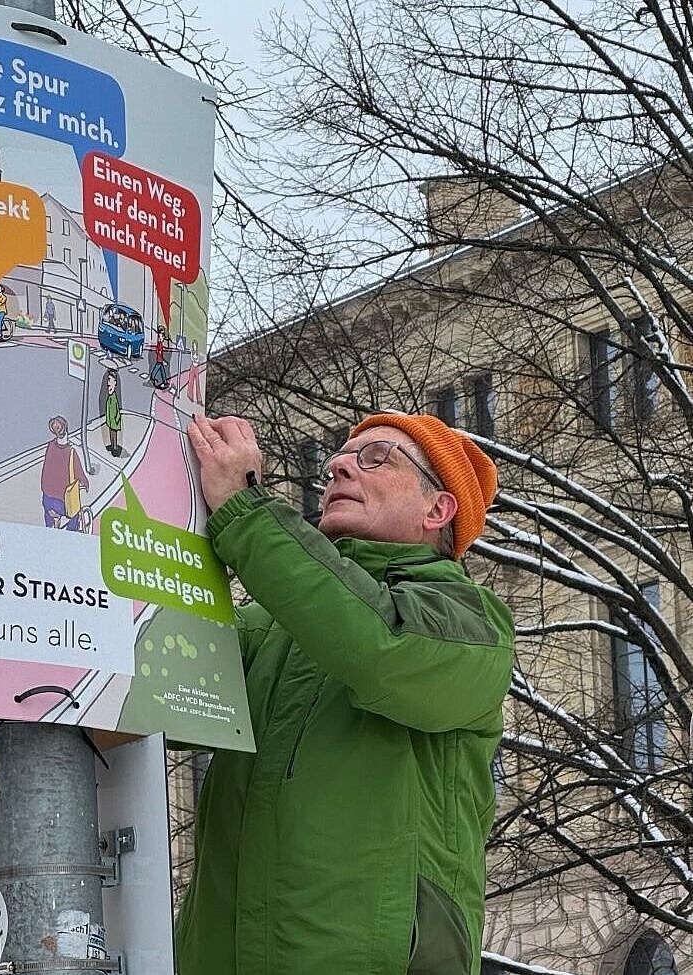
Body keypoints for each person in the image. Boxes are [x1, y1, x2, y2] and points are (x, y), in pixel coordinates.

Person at [180, 411, 514, 975]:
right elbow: (158, 692)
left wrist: (246, 508)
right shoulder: (274, 626)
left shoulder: (470, 623)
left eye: (376, 457)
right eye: (337, 458)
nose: (338, 466)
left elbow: (378, 644)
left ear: (438, 509)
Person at [40, 415, 89, 530]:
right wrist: (85, 483)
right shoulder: (71, 452)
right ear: (65, 427)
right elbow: (79, 472)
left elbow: (45, 470)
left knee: (49, 520)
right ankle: (69, 534)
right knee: (75, 515)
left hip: (47, 500)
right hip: (63, 501)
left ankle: (50, 528)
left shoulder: (50, 447)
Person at [101, 369, 123, 457]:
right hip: (111, 419)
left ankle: (114, 447)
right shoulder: (110, 396)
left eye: (110, 380)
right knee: (111, 432)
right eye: (108, 380)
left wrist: (115, 419)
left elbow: (115, 409)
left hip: (113, 419)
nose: (108, 383)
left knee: (113, 433)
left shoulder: (113, 398)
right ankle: (112, 445)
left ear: (115, 382)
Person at [186, 339, 202, 405]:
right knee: (191, 381)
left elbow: (197, 360)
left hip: (196, 367)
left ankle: (199, 399)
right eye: (194, 345)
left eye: (195, 345)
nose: (195, 347)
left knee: (197, 382)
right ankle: (190, 396)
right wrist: (195, 359)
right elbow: (193, 359)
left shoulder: (198, 353)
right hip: (193, 367)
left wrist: (196, 360)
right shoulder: (192, 352)